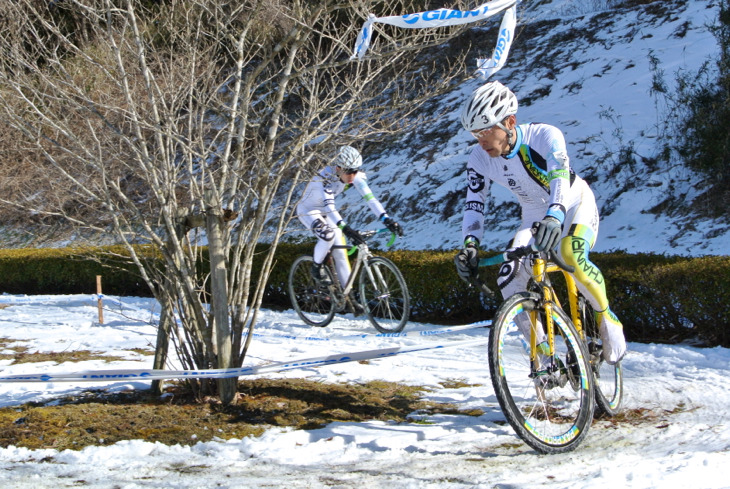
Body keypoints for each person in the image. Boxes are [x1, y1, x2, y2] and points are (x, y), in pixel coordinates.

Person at [453, 80, 626, 365]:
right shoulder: (479, 158)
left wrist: (555, 216)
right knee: (508, 279)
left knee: (570, 253)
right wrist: (470, 245)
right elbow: (474, 203)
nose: (480, 139)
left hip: (572, 203)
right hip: (534, 215)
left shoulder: (545, 135)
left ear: (509, 122)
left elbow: (559, 175)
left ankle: (607, 318)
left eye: (485, 130)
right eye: (475, 133)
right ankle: (544, 355)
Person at [296, 145, 404, 290]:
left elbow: (370, 199)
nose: (352, 176)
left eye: (355, 171)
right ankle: (316, 267)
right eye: (348, 172)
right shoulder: (325, 178)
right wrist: (346, 229)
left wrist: (386, 219)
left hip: (327, 213)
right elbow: (330, 207)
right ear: (338, 168)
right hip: (308, 210)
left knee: (340, 254)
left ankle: (349, 296)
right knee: (328, 236)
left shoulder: (355, 177)